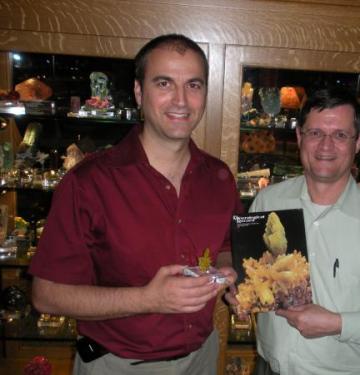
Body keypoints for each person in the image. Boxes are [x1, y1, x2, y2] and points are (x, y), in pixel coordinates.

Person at [29, 34, 240, 375]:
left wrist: (230, 275)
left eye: (194, 85)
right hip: (118, 365)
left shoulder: (219, 177)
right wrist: (148, 299)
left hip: (202, 358)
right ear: (140, 93)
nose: (181, 100)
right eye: (164, 83)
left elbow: (227, 247)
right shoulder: (88, 183)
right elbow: (46, 295)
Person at [227, 87, 360, 375]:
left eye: (339, 135)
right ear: (299, 137)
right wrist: (242, 290)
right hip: (268, 368)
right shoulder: (268, 201)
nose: (325, 146)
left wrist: (339, 323)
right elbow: (260, 276)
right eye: (315, 133)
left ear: (358, 141)